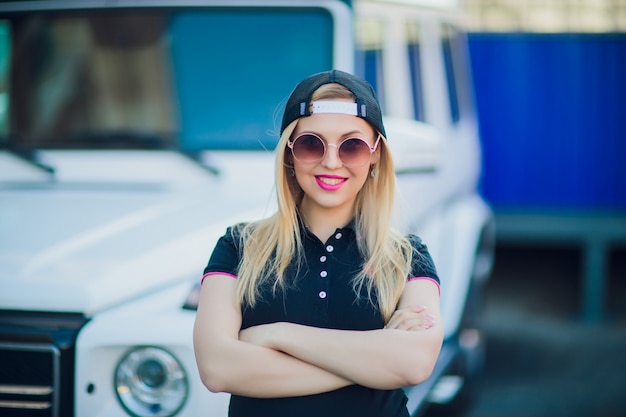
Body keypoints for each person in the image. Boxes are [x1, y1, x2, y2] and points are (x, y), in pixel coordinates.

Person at [193, 70, 443, 417]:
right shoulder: (239, 246)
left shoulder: (407, 256)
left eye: (351, 146)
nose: (330, 161)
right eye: (312, 143)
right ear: (289, 155)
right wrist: (373, 364)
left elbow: (413, 364)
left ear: (375, 156)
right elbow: (218, 368)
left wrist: (278, 335)